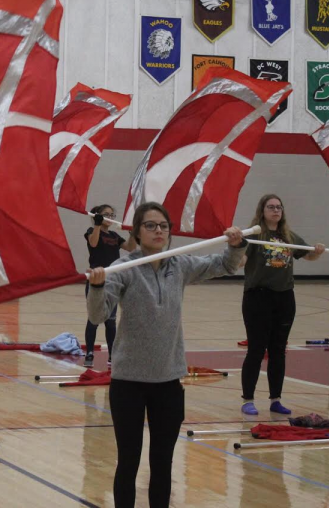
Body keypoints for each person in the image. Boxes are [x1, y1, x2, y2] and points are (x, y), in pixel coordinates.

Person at [87, 201, 247, 508]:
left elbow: (225, 264)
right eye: (150, 225)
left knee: (162, 465)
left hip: (169, 383)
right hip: (128, 384)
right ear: (137, 231)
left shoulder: (180, 265)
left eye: (163, 226)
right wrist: (97, 287)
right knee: (128, 464)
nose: (158, 230)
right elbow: (98, 316)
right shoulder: (124, 268)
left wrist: (236, 245)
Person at [239, 194, 325, 416]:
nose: (276, 210)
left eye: (279, 207)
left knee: (278, 350)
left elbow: (308, 256)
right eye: (271, 207)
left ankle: (275, 399)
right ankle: (248, 399)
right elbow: (241, 261)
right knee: (256, 349)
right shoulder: (254, 235)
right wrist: (236, 248)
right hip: (258, 298)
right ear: (262, 210)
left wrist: (317, 251)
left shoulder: (288, 235)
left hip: (285, 298)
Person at [83, 204, 136, 368]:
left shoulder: (114, 235)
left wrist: (132, 233)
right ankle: (90, 353)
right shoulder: (92, 231)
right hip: (96, 279)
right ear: (98, 216)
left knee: (110, 320)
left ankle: (113, 355)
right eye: (106, 214)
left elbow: (130, 247)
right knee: (94, 319)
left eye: (112, 215)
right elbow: (93, 244)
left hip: (113, 281)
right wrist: (97, 224)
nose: (110, 217)